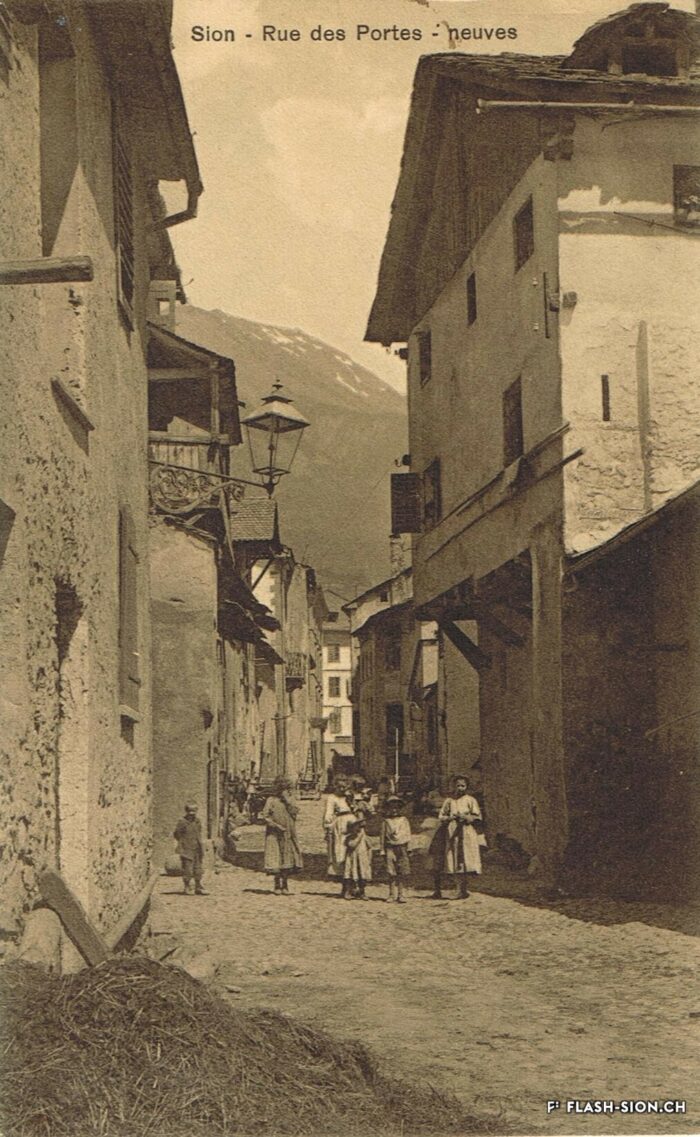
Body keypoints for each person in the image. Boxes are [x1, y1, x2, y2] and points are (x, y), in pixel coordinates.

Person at [429, 774, 485, 899]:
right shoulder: (449, 801)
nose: (460, 788)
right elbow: (441, 816)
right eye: (458, 785)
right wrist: (450, 818)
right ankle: (457, 888)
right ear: (453, 786)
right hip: (451, 832)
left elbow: (478, 817)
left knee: (464, 859)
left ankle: (463, 889)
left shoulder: (470, 800)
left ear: (466, 787)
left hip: (466, 832)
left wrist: (467, 817)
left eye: (463, 786)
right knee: (453, 859)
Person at [262, 777, 303, 894]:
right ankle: (276, 884)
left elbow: (295, 813)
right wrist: (275, 826)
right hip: (274, 833)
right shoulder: (271, 800)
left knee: (287, 858)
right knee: (276, 857)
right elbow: (265, 816)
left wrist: (288, 802)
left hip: (288, 833)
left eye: (288, 789)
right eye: (284, 789)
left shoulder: (291, 800)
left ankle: (285, 884)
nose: (287, 791)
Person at [323, 775, 355, 888]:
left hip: (352, 824)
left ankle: (353, 876)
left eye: (344, 787)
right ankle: (343, 878)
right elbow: (328, 813)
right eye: (339, 787)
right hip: (340, 824)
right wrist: (328, 827)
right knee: (341, 849)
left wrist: (351, 801)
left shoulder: (349, 796)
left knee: (353, 849)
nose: (342, 789)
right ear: (335, 786)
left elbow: (355, 809)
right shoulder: (332, 798)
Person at [380, 795, 411, 903]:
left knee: (401, 871)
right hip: (390, 848)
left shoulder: (404, 820)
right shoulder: (386, 821)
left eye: (396, 808)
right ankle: (391, 894)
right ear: (387, 809)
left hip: (401, 847)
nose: (394, 810)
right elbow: (382, 836)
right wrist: (382, 850)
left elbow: (407, 834)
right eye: (391, 808)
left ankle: (401, 894)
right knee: (391, 872)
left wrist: (408, 848)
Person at [174, 803, 205, 895]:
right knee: (188, 869)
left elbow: (199, 832)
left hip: (197, 848)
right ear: (186, 811)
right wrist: (183, 842)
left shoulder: (197, 821)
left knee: (198, 869)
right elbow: (177, 834)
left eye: (194, 812)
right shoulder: (182, 822)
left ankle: (198, 886)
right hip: (186, 848)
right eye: (190, 812)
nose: (192, 814)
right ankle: (187, 887)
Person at [343, 814, 372, 900]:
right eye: (354, 827)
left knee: (362, 875)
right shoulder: (349, 838)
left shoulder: (364, 837)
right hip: (352, 859)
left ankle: (362, 892)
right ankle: (348, 891)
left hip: (362, 859)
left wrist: (369, 857)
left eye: (359, 827)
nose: (357, 829)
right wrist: (359, 837)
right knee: (350, 875)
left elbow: (370, 846)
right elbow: (352, 845)